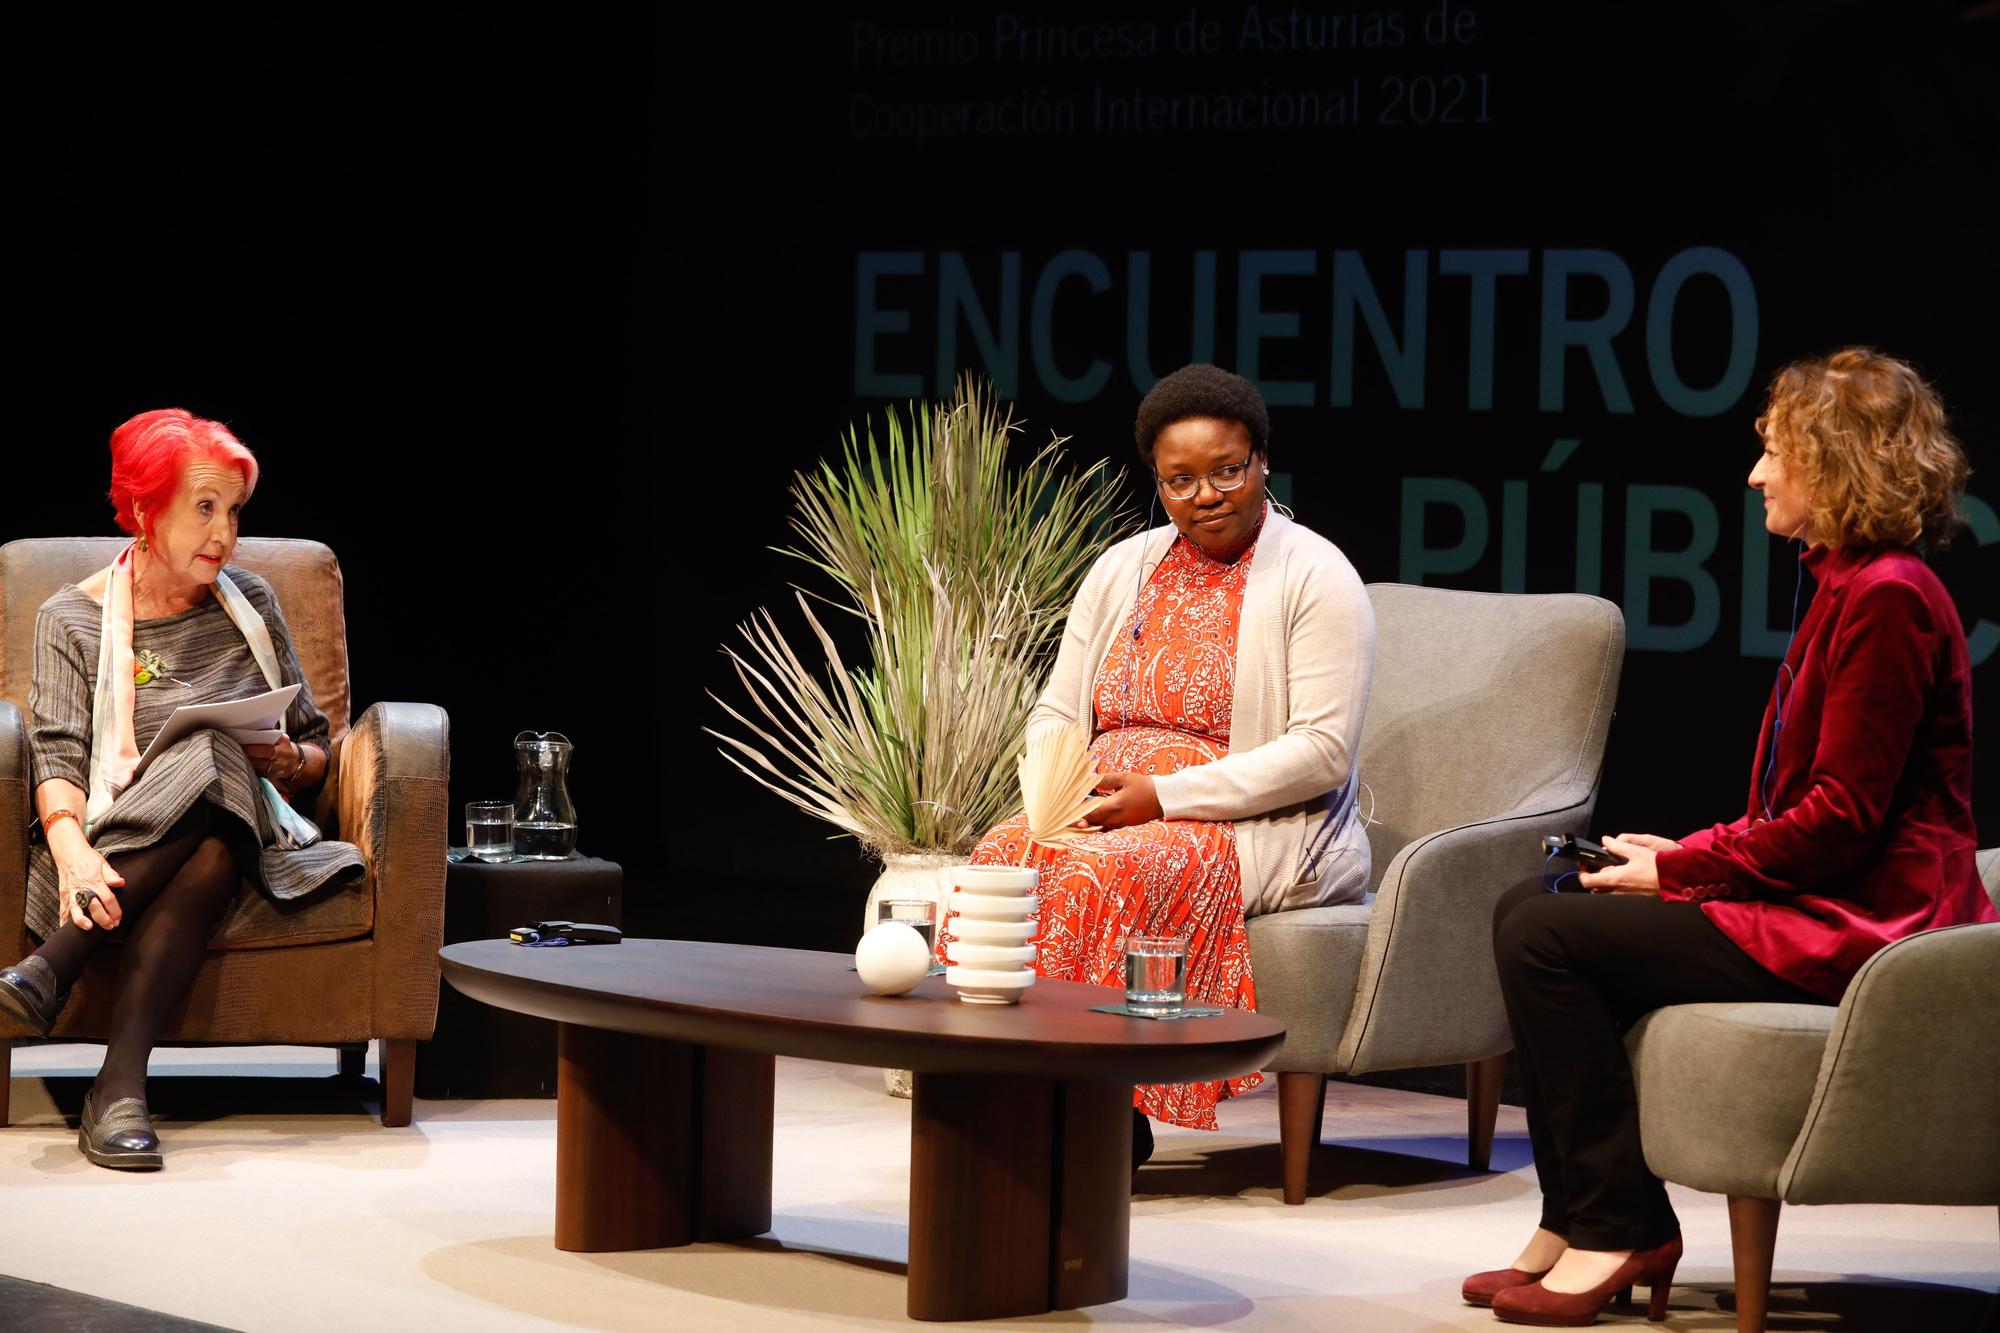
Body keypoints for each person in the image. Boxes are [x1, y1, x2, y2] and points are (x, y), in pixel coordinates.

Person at [1473, 348, 1997, 1326]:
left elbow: (1840, 823)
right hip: (1827, 892)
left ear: (1836, 463)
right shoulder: (1843, 580)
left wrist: (1682, 870)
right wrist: (1681, 852)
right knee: (1531, 907)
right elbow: (1803, 801)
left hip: (1871, 922)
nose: (1754, 475)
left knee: (1543, 933)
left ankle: (1614, 1221)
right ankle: (1579, 1212)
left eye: (1772, 454)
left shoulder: (1885, 597)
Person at [961, 363, 1374, 1161]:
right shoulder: (1124, 566)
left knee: (1101, 871)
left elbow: (1322, 752)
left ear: (1261, 462)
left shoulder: (1316, 575)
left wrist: (1164, 796)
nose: (1206, 495)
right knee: (1001, 856)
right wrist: (1051, 792)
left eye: (1227, 470)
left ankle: (1104, 1112)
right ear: (1157, 480)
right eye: (1180, 480)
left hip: (1255, 819)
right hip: (1106, 801)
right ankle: (1002, 1095)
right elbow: (1058, 705)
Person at [0, 409, 363, 1170]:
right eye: (204, 507)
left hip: (252, 831)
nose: (224, 532)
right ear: (142, 510)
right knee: (208, 807)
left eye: (233, 510)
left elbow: (319, 743)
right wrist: (71, 856)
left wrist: (291, 762)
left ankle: (53, 971)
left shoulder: (253, 606)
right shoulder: (71, 618)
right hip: (110, 840)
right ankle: (118, 1088)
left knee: (215, 758)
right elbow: (57, 756)